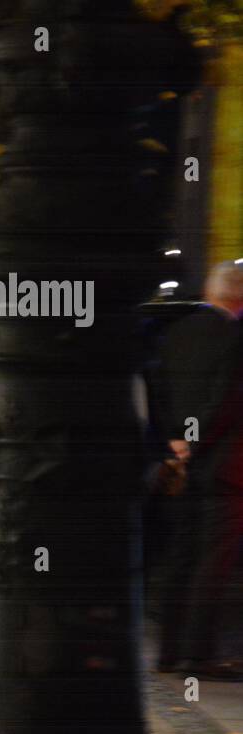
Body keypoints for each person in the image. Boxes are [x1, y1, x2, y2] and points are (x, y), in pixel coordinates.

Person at [153, 260, 243, 680]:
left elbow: (162, 390)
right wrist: (198, 442)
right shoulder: (235, 337)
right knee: (213, 562)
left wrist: (176, 441)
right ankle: (199, 653)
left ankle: (169, 651)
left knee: (181, 556)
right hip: (222, 467)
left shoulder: (178, 333)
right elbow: (225, 400)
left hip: (180, 465)